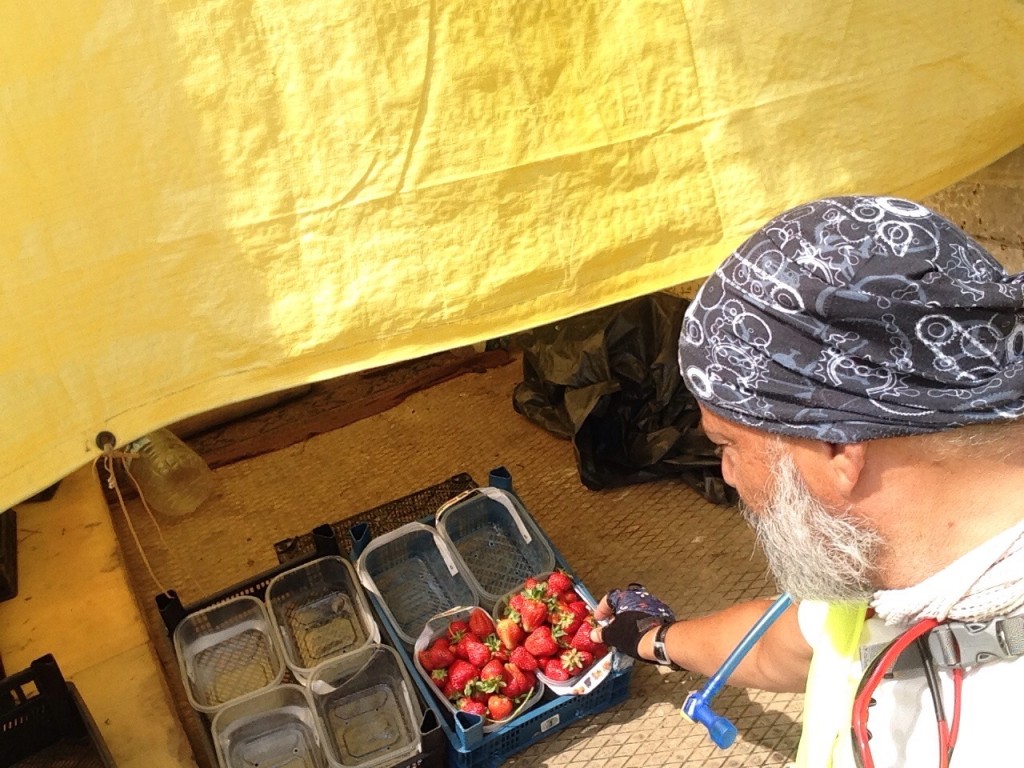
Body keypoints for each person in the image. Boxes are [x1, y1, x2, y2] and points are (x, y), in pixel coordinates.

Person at [591, 195, 1024, 767]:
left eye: (727, 446)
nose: (725, 474)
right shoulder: (895, 559)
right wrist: (653, 638)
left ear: (837, 446)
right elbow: (785, 648)